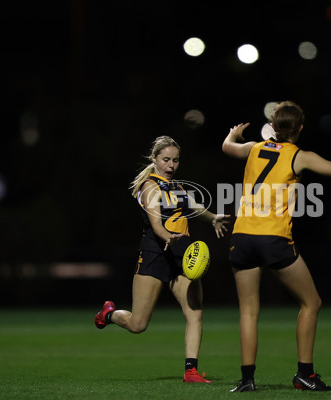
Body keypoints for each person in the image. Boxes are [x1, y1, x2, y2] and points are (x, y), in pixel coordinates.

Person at [222, 101, 331, 392]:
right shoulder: (299, 156)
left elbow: (227, 147)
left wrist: (234, 134)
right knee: (311, 303)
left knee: (249, 312)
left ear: (272, 126)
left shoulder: (253, 147)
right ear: (300, 129)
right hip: (273, 239)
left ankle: (247, 380)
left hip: (242, 237)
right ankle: (305, 375)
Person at [95, 135, 230, 383]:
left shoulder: (177, 187)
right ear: (155, 159)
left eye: (175, 160)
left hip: (182, 254)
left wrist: (212, 218)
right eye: (166, 160)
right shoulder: (150, 187)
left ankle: (191, 371)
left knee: (195, 312)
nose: (171, 165)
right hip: (155, 254)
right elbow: (156, 223)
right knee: (138, 324)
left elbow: (194, 205)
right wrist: (168, 236)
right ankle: (110, 313)